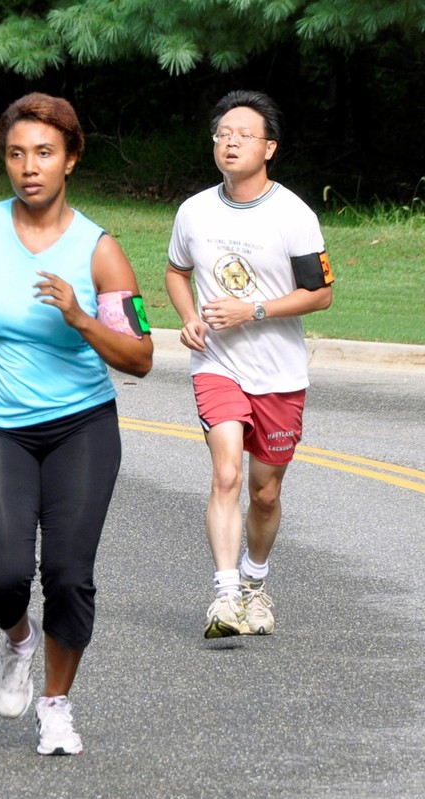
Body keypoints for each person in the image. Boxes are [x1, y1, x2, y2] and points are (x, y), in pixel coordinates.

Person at [0, 93, 153, 755]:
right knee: (1, 575)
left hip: (82, 426)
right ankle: (17, 639)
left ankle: (56, 703)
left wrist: (81, 317)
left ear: (70, 159)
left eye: (44, 152)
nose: (29, 167)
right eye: (16, 154)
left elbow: (140, 357)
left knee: (70, 574)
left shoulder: (100, 250)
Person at [165, 89, 334, 640]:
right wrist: (190, 316)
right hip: (218, 363)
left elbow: (320, 293)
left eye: (244, 134)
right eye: (222, 133)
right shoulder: (193, 210)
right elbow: (175, 271)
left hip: (280, 374)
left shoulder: (294, 215)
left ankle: (257, 584)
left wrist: (252, 309)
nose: (230, 141)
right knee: (227, 474)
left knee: (265, 491)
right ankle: (226, 596)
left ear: (270, 147)